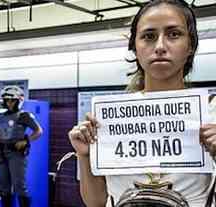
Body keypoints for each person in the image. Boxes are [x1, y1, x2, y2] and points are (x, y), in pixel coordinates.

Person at [68, 1, 216, 206]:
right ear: (135, 47)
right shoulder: (110, 118)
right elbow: (96, 203)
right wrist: (84, 155)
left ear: (190, 46)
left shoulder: (211, 113)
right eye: (149, 36)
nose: (160, 47)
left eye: (173, 34)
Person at [0, 85, 43, 207]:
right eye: (7, 100)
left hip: (16, 154)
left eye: (12, 100)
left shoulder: (24, 115)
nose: (9, 103)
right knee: (4, 187)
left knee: (19, 186)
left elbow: (39, 131)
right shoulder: (1, 116)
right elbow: (0, 132)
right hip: (2, 153)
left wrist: (26, 141)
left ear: (18, 101)